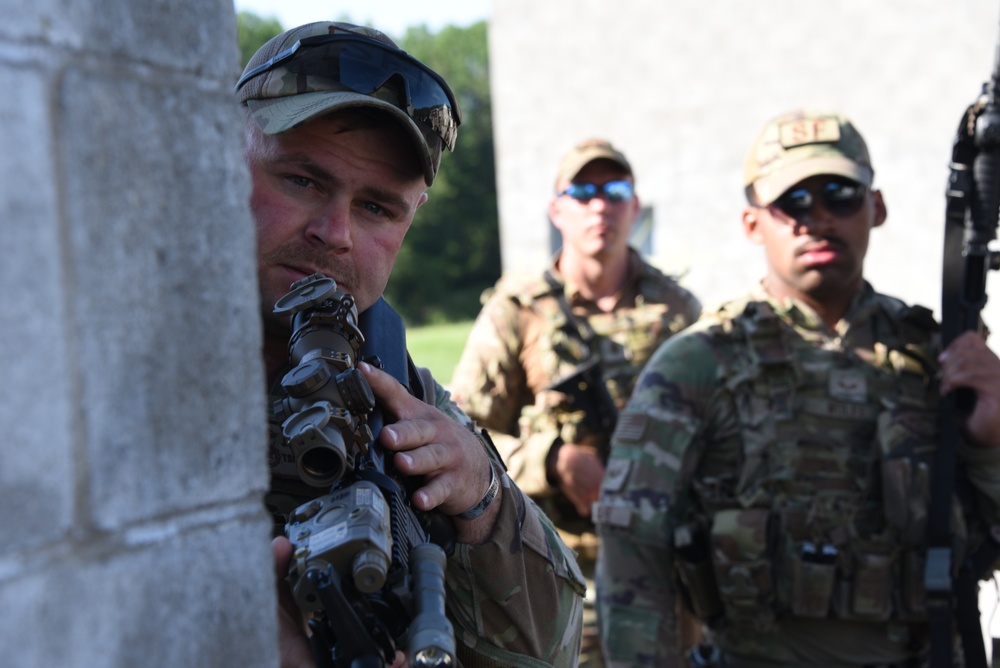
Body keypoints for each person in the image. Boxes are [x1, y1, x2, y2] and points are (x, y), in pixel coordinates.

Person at [593, 107, 1000, 667]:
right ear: (753, 223)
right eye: (792, 203)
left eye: (839, 194)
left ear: (875, 208)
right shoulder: (699, 363)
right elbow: (632, 545)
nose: (816, 219)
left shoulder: (943, 357)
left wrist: (990, 443)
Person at [236, 21, 586, 668]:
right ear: (223, 163)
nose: (334, 233)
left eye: (377, 208)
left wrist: (482, 497)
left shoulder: (397, 394)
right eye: (302, 181)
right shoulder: (111, 378)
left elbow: (552, 649)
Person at [450, 138, 702, 665]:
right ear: (557, 210)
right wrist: (552, 462)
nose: (600, 205)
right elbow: (461, 432)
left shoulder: (677, 311)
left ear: (634, 207)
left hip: (662, 561)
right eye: (583, 191)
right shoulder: (518, 310)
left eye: (615, 190)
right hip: (558, 563)